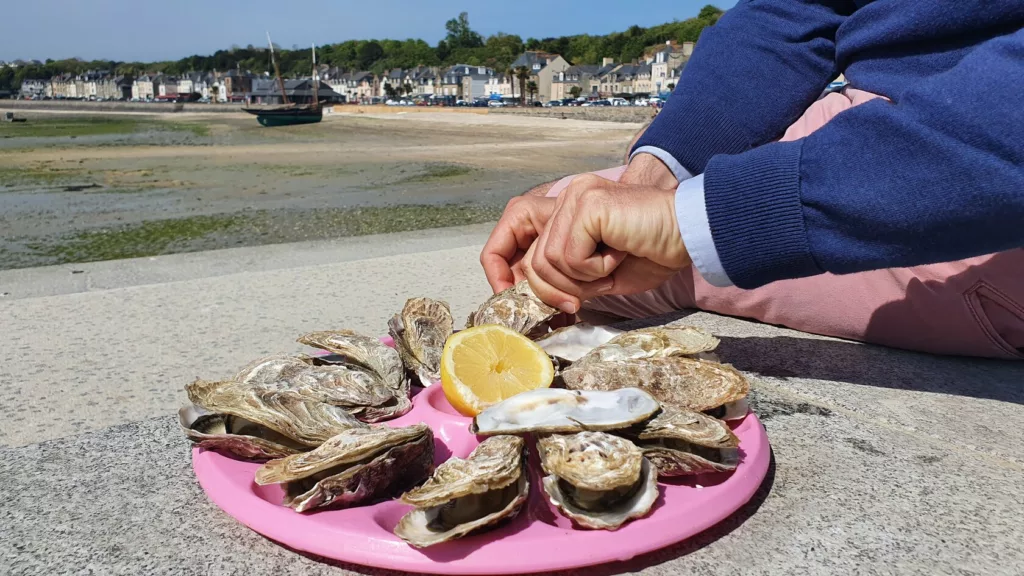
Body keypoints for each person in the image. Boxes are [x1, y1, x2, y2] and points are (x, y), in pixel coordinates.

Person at [481, 1, 1024, 359]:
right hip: (887, 117)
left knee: (562, 257)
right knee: (556, 213)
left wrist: (701, 222)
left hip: (975, 185)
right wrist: (650, 177)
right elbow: (790, 13)